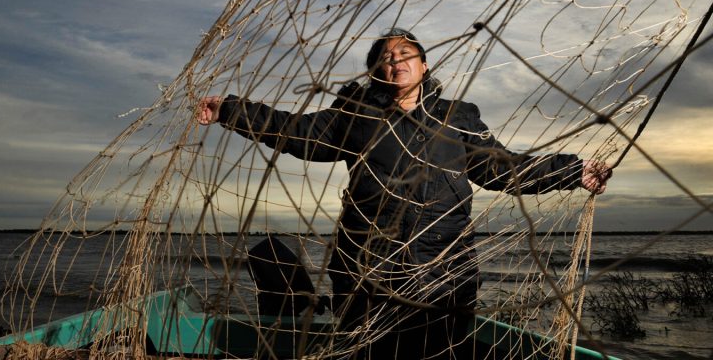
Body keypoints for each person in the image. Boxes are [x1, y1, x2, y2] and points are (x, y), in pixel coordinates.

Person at [196, 28, 612, 359]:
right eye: (384, 58)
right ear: (376, 71)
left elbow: (504, 169)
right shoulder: (354, 113)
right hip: (366, 266)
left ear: (425, 65)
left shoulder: (457, 118)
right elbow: (294, 132)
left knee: (437, 351)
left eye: (404, 54)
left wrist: (574, 171)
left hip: (445, 268)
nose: (395, 62)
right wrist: (230, 110)